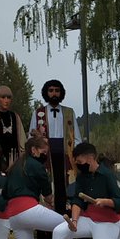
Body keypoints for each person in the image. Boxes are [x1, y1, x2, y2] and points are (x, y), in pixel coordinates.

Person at [28, 79, 81, 214]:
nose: (54, 93)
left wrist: (76, 155)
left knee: (66, 189)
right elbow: (31, 138)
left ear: (61, 92)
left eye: (57, 90)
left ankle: (67, 219)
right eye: (51, 91)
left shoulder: (69, 112)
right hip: (46, 158)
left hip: (66, 158)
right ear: (46, 93)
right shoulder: (38, 113)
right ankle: (46, 225)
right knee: (48, 187)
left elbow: (77, 137)